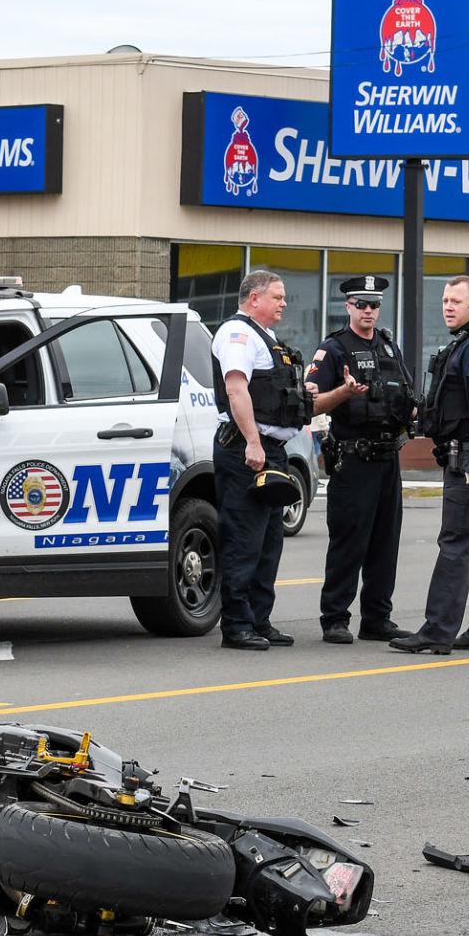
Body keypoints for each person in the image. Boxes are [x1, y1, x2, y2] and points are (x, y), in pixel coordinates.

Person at [391, 275, 469, 655]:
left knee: (456, 543)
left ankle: (437, 631)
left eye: (456, 301)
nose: (448, 307)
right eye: (445, 300)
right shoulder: (464, 344)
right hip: (468, 452)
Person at [306, 276, 414, 645]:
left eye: (374, 305)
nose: (368, 311)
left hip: (388, 458)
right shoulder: (334, 349)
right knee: (349, 542)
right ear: (348, 307)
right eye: (361, 304)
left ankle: (377, 619)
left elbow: (406, 394)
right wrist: (344, 391)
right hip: (353, 459)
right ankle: (335, 619)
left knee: (385, 542)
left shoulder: (388, 346)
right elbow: (312, 405)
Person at [210, 270, 311, 651]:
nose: (284, 303)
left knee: (269, 541)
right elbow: (236, 389)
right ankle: (237, 625)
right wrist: (253, 442)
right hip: (247, 451)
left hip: (272, 451)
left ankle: (259, 620)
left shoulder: (266, 337)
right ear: (254, 298)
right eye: (277, 297)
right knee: (243, 539)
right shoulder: (237, 334)